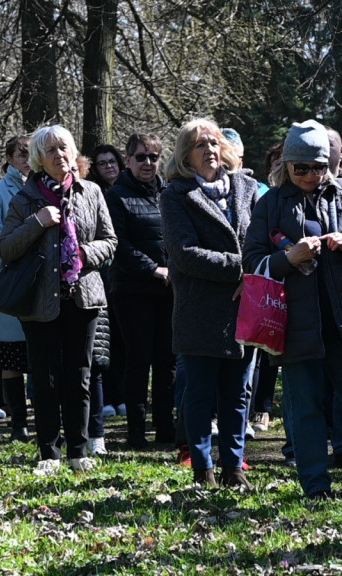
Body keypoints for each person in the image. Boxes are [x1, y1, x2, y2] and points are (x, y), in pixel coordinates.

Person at [0, 125, 117, 475]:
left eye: (63, 147)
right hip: (39, 302)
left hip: (83, 298)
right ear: (38, 159)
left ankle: (79, 450)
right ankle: (48, 452)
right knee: (46, 380)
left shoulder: (91, 191)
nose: (59, 155)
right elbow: (6, 248)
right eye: (50, 150)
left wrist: (83, 252)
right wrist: (36, 222)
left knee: (79, 376)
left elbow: (110, 241)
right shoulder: (25, 199)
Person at [242, 120, 341, 499]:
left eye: (319, 167)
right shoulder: (271, 203)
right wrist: (289, 257)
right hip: (295, 322)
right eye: (302, 168)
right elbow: (252, 260)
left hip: (337, 319)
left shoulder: (339, 194)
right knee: (305, 407)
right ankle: (315, 486)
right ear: (287, 165)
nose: (312, 176)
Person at [161, 118, 258, 488]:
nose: (211, 150)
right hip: (199, 310)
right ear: (186, 155)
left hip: (244, 308)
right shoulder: (176, 196)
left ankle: (235, 467)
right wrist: (241, 270)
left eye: (215, 142)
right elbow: (185, 254)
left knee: (237, 394)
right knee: (200, 395)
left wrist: (252, 276)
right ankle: (203, 469)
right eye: (201, 145)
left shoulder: (247, 188)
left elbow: (260, 239)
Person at [105, 133, 175, 448]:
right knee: (138, 360)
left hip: (169, 291)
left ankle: (165, 428)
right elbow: (118, 244)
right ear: (129, 160)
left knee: (166, 361)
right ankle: (136, 432)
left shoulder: (169, 194)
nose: (148, 163)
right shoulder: (116, 196)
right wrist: (152, 268)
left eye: (154, 157)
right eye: (141, 157)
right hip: (133, 291)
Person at [0, 135, 32, 442]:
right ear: (10, 158)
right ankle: (18, 424)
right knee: (11, 359)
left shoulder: (45, 186)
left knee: (41, 357)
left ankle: (46, 420)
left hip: (42, 285)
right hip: (11, 281)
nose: (27, 159)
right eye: (21, 154)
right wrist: (25, 257)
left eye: (31, 154)